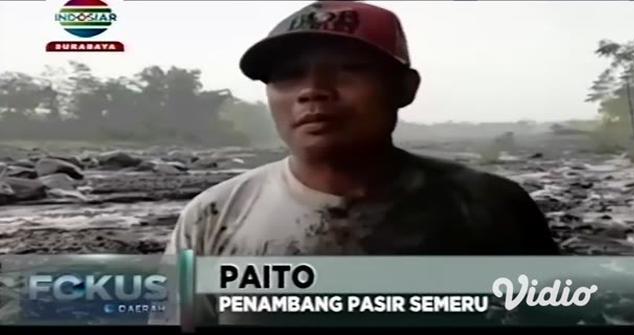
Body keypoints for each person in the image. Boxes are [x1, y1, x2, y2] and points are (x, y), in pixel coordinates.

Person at [164, 0, 560, 258]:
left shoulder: (492, 208)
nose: (312, 91)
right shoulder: (213, 217)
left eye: (348, 70)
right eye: (288, 76)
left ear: (405, 89)